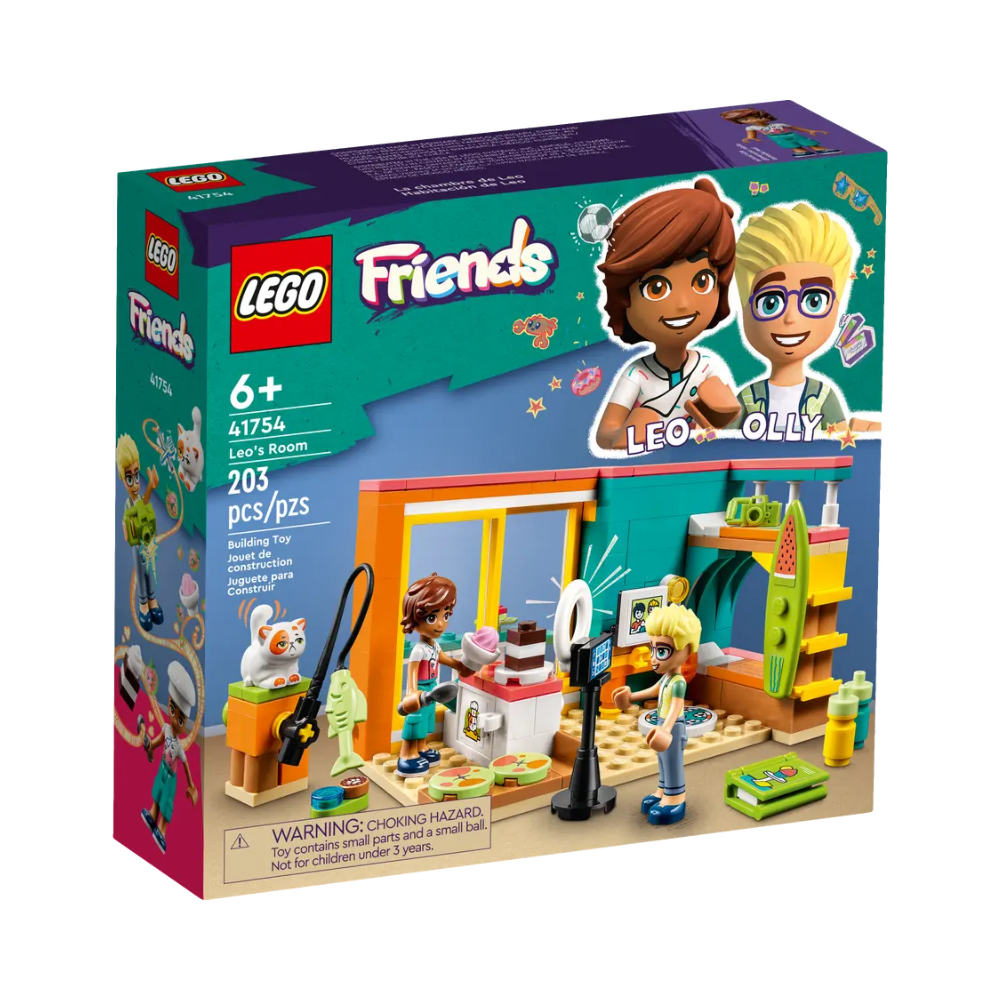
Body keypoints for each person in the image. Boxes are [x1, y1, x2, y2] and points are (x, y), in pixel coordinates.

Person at [594, 179, 741, 450]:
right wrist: (635, 430)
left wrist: (721, 412)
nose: (683, 304)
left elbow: (733, 424)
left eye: (702, 282)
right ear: (624, 297)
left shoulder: (708, 367)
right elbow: (605, 436)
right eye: (657, 288)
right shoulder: (637, 375)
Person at [734, 202, 855, 431]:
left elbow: (843, 442)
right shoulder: (748, 398)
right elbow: (720, 441)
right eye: (770, 303)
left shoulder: (823, 397)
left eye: (814, 301)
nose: (790, 318)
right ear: (745, 308)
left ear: (836, 305)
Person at [612, 604, 701, 826]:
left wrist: (666, 729)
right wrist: (631, 697)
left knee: (672, 763)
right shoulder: (666, 678)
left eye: (662, 651)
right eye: (653, 649)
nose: (653, 658)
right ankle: (663, 791)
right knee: (662, 761)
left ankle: (676, 798)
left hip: (673, 727)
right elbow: (653, 691)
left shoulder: (678, 682)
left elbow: (676, 707)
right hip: (663, 725)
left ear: (686, 649)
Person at [397, 574, 473, 775]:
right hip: (421, 691)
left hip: (432, 689)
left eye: (445, 616)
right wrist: (412, 693)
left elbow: (444, 659)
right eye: (432, 618)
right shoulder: (418, 650)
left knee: (427, 721)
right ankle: (407, 755)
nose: (440, 624)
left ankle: (422, 748)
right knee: (415, 721)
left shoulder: (434, 645)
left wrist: (461, 666)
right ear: (414, 619)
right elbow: (412, 674)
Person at [139, 661, 198, 853]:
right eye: (172, 711)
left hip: (172, 778)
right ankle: (152, 814)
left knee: (166, 802)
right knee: (157, 791)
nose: (174, 720)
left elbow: (185, 764)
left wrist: (191, 785)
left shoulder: (179, 746)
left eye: (180, 719)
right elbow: (157, 741)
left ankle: (162, 831)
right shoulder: (165, 729)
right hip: (162, 769)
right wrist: (150, 746)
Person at [117, 433, 163, 631]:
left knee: (150, 571)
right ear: (122, 478)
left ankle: (152, 600)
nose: (135, 483)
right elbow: (128, 523)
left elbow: (144, 504)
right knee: (141, 573)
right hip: (137, 545)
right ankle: (143, 603)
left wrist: (151, 487)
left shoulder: (138, 499)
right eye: (129, 478)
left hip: (147, 542)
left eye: (136, 476)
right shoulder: (128, 504)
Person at [720, 107, 841, 157]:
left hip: (791, 134)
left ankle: (819, 149)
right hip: (777, 138)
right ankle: (800, 151)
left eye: (754, 117)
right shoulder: (752, 128)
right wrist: (750, 138)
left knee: (806, 141)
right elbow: (750, 134)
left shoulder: (778, 125)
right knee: (792, 146)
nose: (750, 121)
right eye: (744, 120)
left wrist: (810, 130)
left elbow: (795, 127)